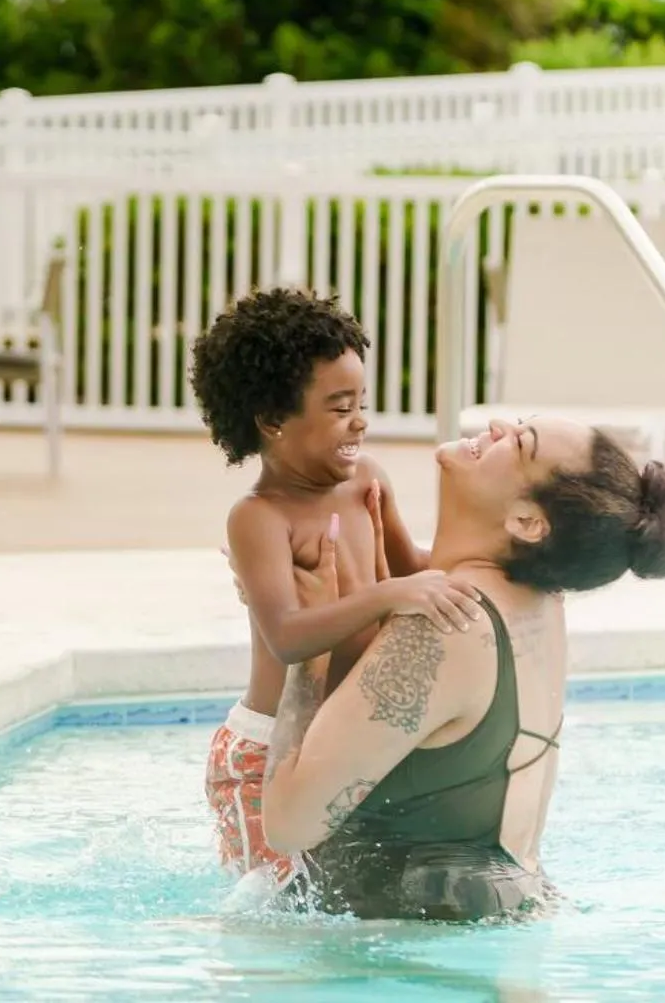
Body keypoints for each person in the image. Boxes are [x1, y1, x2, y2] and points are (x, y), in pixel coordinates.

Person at [258, 416, 665, 921]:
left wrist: (310, 643)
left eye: (520, 443)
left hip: (404, 950)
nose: (496, 427)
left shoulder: (448, 626)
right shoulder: (539, 600)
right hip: (488, 921)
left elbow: (287, 824)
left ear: (527, 523)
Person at [190, 289, 489, 886]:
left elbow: (416, 569)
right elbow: (287, 635)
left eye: (362, 403)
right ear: (273, 421)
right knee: (272, 905)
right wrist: (387, 596)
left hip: (337, 740)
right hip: (263, 754)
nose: (361, 420)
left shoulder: (366, 481)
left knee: (338, 898)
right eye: (339, 407)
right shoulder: (259, 518)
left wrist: (500, 561)